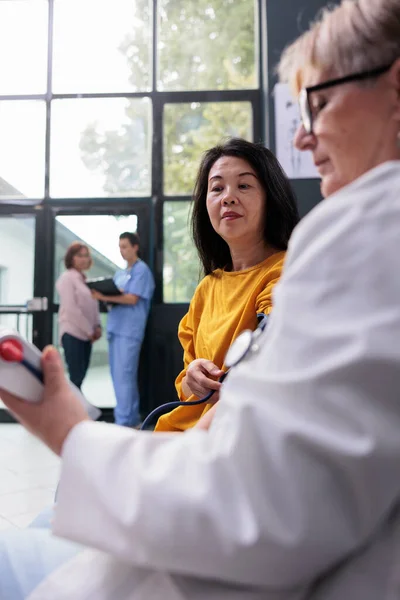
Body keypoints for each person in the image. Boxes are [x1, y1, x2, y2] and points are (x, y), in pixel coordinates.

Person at [1, 0, 400, 597]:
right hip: (177, 480)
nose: (302, 134)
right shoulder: (213, 286)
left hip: (191, 530)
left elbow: (257, 505)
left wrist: (69, 429)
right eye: (215, 188)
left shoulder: (361, 231)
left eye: (318, 103)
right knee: (40, 523)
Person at [155, 138, 299, 432]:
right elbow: (186, 382)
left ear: (270, 197)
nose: (228, 197)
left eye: (244, 186)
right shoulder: (207, 288)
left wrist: (189, 449)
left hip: (231, 441)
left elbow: (262, 376)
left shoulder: (286, 272)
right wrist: (193, 376)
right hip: (185, 433)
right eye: (217, 188)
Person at [91, 232, 155, 428]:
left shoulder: (141, 271)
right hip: (115, 328)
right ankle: (130, 419)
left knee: (125, 376)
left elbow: (132, 298)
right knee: (118, 376)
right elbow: (117, 297)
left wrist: (104, 296)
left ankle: (125, 422)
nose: (122, 250)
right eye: (119, 247)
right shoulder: (120, 273)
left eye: (125, 246)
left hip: (130, 330)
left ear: (135, 247)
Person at [56, 242, 102, 390]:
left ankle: (75, 410)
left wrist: (98, 326)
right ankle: (71, 412)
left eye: (86, 256)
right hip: (73, 333)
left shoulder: (84, 280)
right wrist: (89, 331)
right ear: (71, 258)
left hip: (87, 336)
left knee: (80, 377)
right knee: (75, 378)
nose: (83, 259)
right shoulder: (66, 278)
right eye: (79, 255)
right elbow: (71, 309)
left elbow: (93, 306)